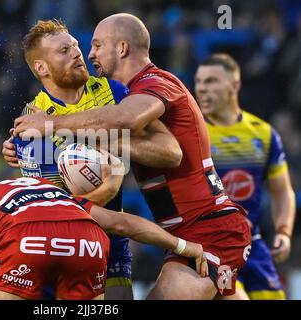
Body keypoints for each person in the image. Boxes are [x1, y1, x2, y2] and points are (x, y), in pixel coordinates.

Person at [13, 13, 252, 299]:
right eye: (69, 49)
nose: (87, 54)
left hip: (206, 230)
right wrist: (23, 148)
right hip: (188, 229)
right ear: (40, 67)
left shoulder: (147, 86)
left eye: (95, 45)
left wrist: (57, 127)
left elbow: (164, 148)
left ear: (122, 48)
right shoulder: (36, 113)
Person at [2, 19, 182, 300]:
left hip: (112, 246)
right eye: (64, 50)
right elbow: (55, 207)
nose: (78, 53)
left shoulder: (116, 92)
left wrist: (104, 148)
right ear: (41, 68)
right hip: (63, 251)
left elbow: (169, 153)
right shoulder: (31, 121)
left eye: (75, 45)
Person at [0, 174, 208, 300]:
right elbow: (120, 223)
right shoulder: (34, 187)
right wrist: (184, 246)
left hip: (26, 243)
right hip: (89, 242)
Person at [195, 53, 296, 300]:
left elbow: (282, 190)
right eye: (198, 82)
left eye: (211, 81)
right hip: (214, 246)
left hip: (256, 244)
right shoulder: (194, 134)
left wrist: (283, 231)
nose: (201, 89)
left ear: (235, 85)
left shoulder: (263, 133)